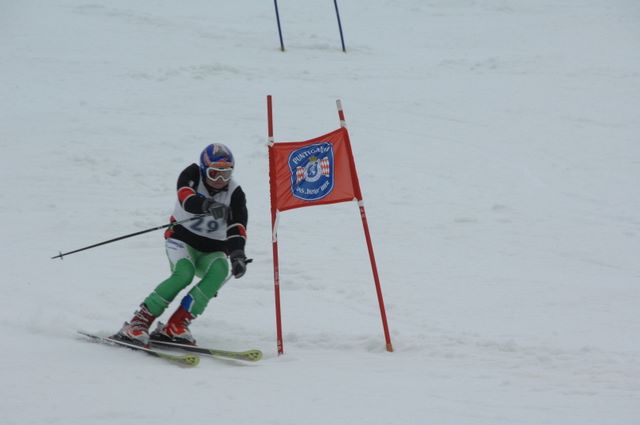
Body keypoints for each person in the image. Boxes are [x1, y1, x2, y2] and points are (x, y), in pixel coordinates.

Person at [113, 143, 249, 347]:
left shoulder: (235, 193)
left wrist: (238, 254)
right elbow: (186, 198)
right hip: (182, 240)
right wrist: (207, 205)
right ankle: (138, 322)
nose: (220, 180)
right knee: (184, 273)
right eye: (214, 173)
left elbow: (237, 227)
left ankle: (176, 324)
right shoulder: (192, 174)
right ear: (204, 169)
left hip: (213, 249)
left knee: (220, 270)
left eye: (226, 174)